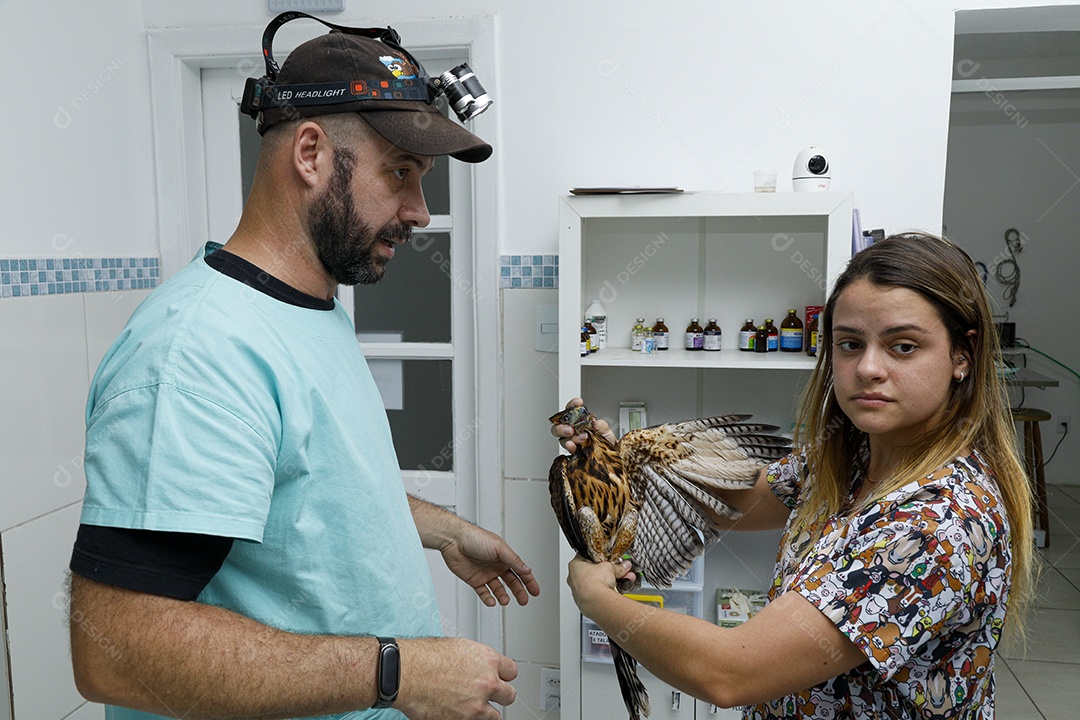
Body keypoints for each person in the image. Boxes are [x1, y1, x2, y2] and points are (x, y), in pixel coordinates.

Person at [68, 19, 538, 720]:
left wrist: (435, 527)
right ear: (312, 153)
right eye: (400, 173)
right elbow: (115, 650)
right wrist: (398, 672)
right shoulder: (197, 355)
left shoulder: (308, 311)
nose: (421, 212)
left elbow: (294, 493)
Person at [553, 232, 1035, 718]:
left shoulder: (938, 521)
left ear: (962, 356)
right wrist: (612, 465)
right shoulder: (844, 461)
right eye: (849, 344)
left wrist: (598, 601)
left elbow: (730, 673)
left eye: (903, 347)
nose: (868, 367)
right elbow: (729, 505)